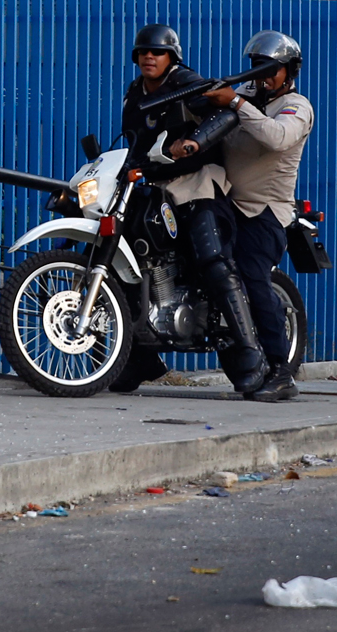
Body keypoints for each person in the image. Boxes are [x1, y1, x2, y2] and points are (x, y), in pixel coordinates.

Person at [110, 24, 268, 394]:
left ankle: (249, 354)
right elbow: (132, 140)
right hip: (153, 186)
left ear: (171, 58)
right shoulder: (134, 93)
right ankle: (139, 360)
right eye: (143, 52)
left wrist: (195, 142)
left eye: (158, 52)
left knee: (212, 260)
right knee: (126, 260)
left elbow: (226, 115)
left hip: (197, 181)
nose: (149, 57)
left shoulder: (188, 82)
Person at [181, 30, 312, 402]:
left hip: (266, 211)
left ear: (289, 71)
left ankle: (282, 371)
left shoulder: (296, 106)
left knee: (253, 278)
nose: (265, 76)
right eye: (258, 68)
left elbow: (276, 137)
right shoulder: (245, 97)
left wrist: (236, 102)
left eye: (273, 69)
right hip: (225, 202)